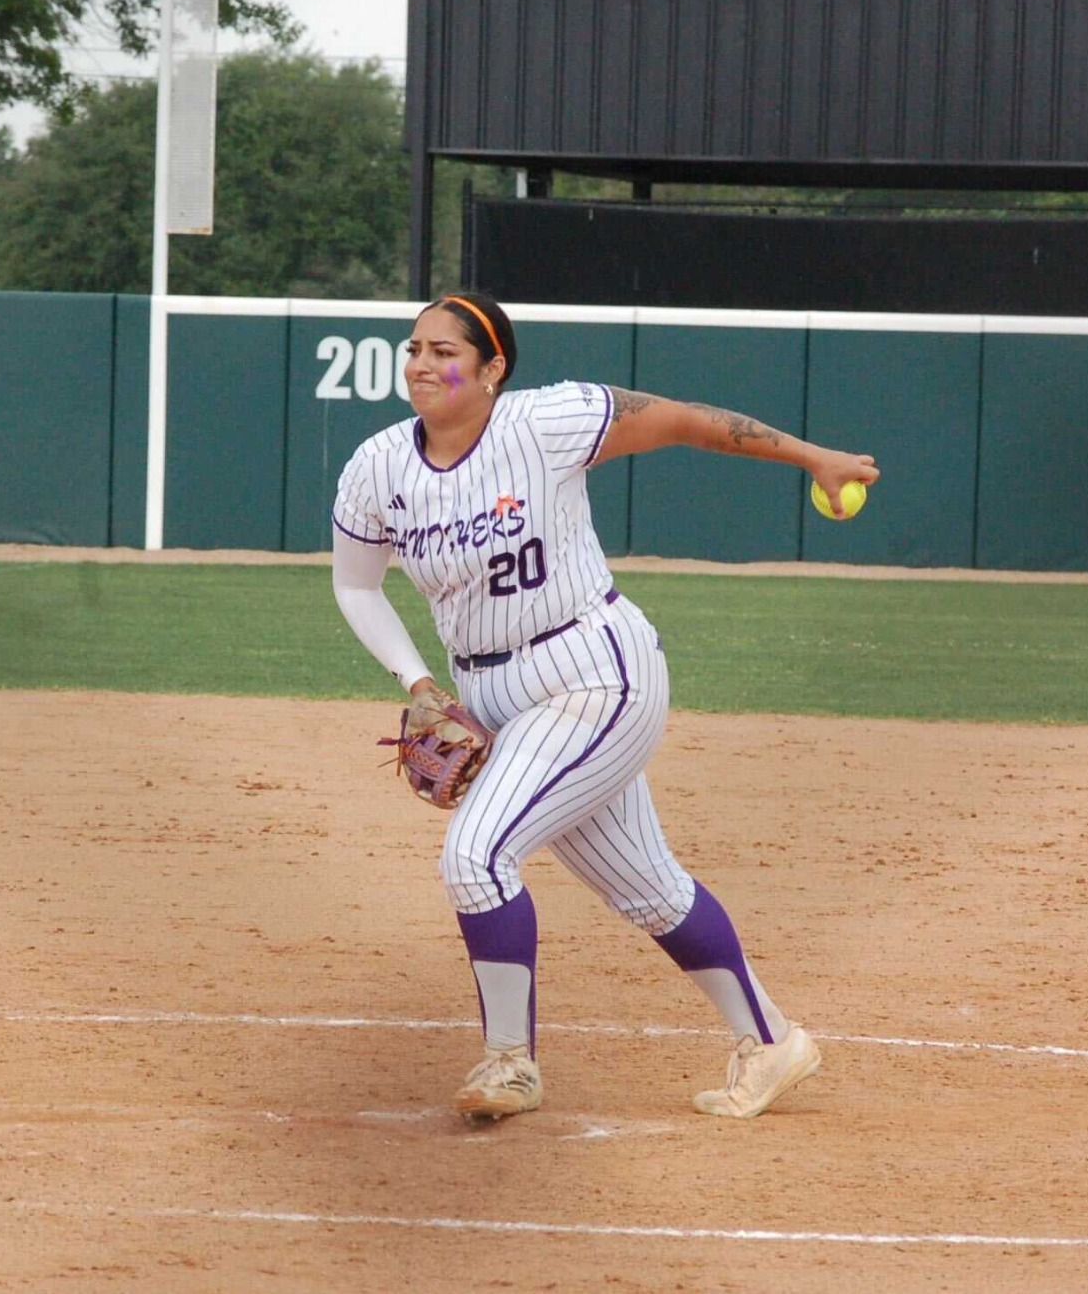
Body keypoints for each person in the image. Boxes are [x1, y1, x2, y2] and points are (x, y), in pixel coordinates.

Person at [330, 292, 880, 1121]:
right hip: (489, 694)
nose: (421, 364)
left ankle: (510, 1063)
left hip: (594, 672)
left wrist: (814, 459)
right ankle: (771, 1042)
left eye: (444, 350)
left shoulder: (548, 423)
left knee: (477, 857)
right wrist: (416, 682)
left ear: (492, 370)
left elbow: (688, 422)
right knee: (650, 890)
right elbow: (355, 583)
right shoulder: (378, 466)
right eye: (413, 348)